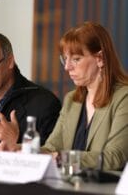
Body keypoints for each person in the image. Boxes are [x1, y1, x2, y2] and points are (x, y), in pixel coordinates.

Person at [40, 21, 128, 171]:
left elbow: (114, 157)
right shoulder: (71, 99)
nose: (67, 67)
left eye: (76, 59)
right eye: (65, 59)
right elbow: (51, 148)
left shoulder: (123, 98)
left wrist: (62, 158)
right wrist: (19, 150)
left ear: (100, 58)